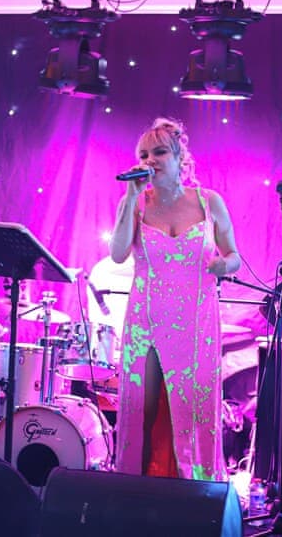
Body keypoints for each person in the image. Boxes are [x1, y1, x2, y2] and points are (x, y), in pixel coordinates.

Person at [109, 117, 241, 481]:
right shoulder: (136, 203)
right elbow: (118, 254)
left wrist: (223, 265)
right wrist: (130, 197)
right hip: (146, 321)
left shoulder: (209, 202)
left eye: (159, 152)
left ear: (180, 157)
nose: (149, 160)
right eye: (143, 155)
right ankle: (133, 489)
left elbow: (234, 256)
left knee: (191, 410)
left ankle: (196, 491)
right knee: (142, 410)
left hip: (196, 322)